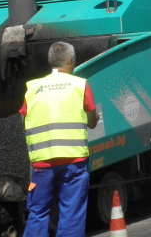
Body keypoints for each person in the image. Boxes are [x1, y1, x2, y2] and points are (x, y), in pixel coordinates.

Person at [20, 42, 99, 237]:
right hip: (73, 162)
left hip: (42, 163)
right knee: (71, 214)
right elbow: (92, 122)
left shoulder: (32, 87)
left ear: (49, 61)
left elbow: (24, 117)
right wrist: (94, 117)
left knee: (38, 212)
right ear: (70, 60)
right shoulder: (80, 85)